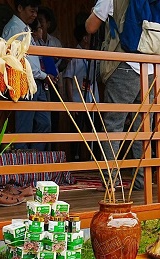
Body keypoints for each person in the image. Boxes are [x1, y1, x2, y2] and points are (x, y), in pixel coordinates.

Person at [86, 0, 154, 190]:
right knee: (143, 128)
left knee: (113, 125)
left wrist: (95, 11)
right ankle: (142, 181)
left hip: (123, 65)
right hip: (150, 69)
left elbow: (90, 27)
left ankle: (111, 182)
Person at [2, 0, 52, 151]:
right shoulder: (14, 29)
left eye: (36, 11)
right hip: (24, 80)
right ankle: (22, 157)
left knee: (44, 123)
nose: (34, 15)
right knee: (25, 123)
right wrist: (44, 75)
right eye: (32, 11)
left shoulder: (25, 28)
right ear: (20, 8)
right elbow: (22, 61)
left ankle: (35, 156)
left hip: (37, 80)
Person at [64, 23, 99, 161]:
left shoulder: (93, 54)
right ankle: (75, 159)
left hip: (92, 99)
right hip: (78, 100)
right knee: (77, 132)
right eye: (90, 36)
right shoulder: (75, 56)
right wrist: (71, 102)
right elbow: (68, 79)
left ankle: (94, 158)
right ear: (85, 38)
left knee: (94, 130)